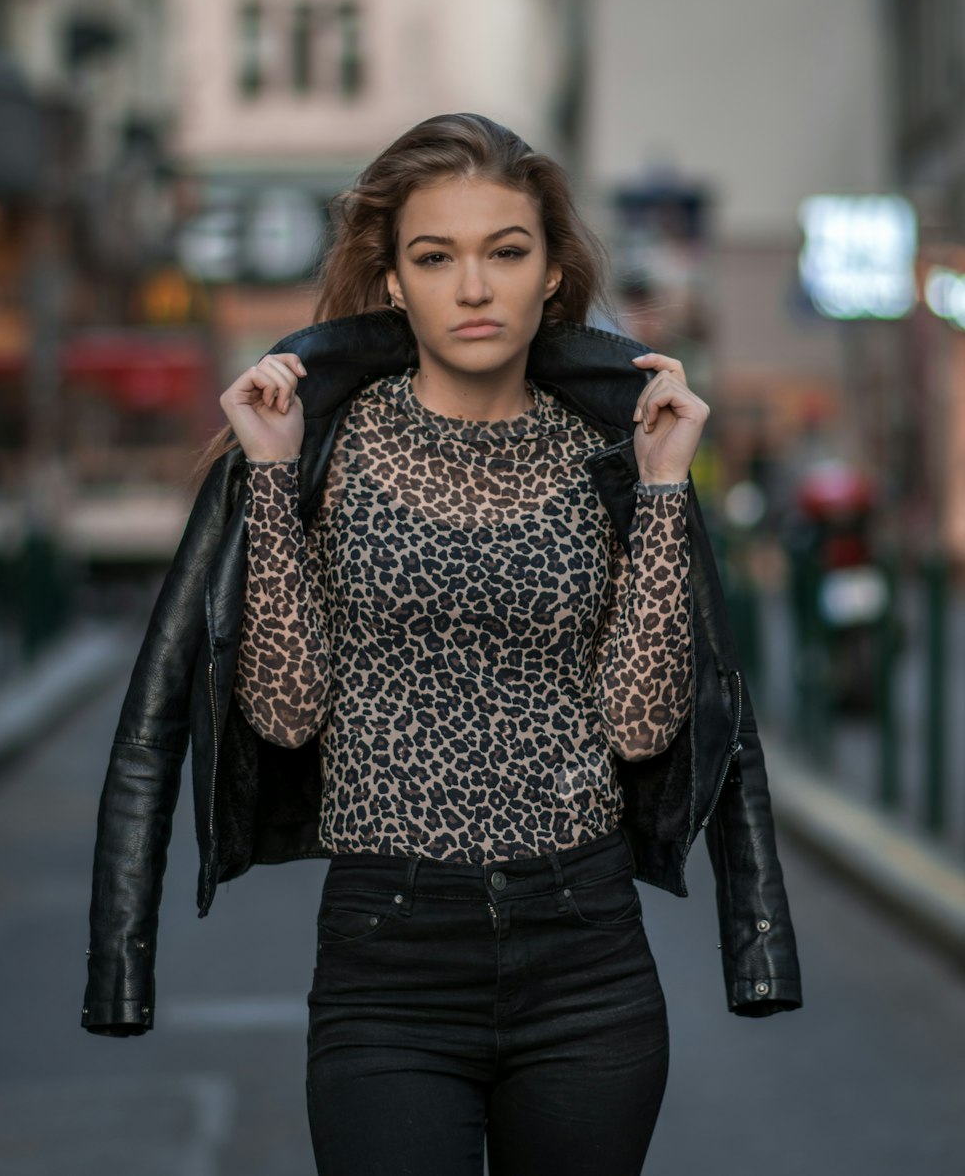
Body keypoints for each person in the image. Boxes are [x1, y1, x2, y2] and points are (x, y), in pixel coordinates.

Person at [82, 113, 801, 1176]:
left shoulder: (617, 454)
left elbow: (645, 725)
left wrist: (659, 490)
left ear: (552, 273)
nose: (473, 287)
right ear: (392, 281)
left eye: (505, 251)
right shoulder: (316, 447)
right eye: (435, 257)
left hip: (586, 958)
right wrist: (273, 479)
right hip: (388, 962)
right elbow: (282, 712)